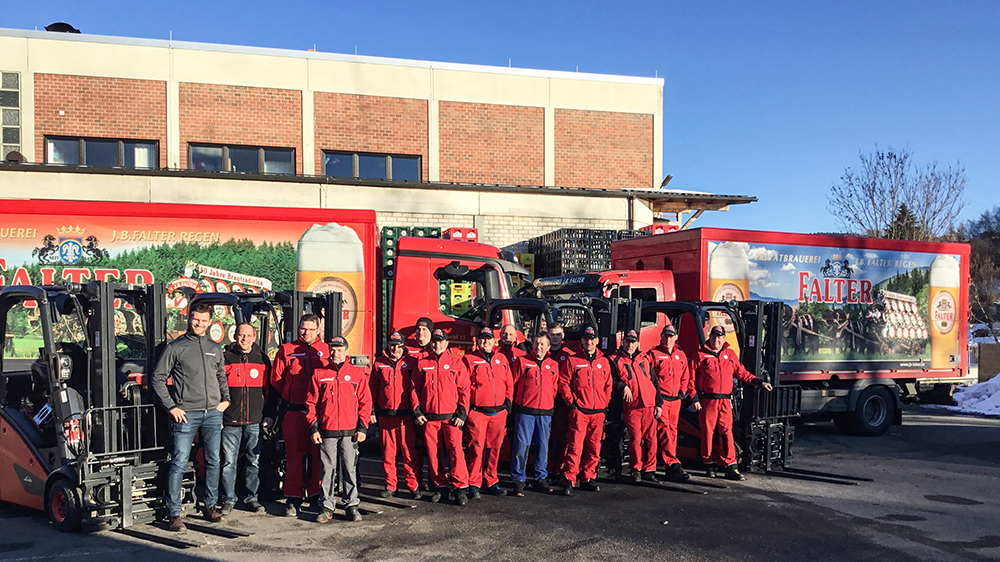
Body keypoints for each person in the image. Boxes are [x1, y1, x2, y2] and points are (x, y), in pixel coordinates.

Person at [151, 302, 230, 532]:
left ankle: (210, 505)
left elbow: (221, 377)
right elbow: (158, 378)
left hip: (213, 414)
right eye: (196, 319)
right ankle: (174, 514)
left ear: (210, 322)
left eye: (204, 321)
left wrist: (225, 400)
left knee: (214, 461)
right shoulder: (176, 347)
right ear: (189, 319)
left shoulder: (214, 348)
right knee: (178, 462)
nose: (200, 324)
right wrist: (172, 407)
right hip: (186, 414)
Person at [692, 325, 773, 480]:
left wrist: (759, 382)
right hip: (708, 400)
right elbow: (690, 379)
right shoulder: (700, 355)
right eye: (714, 336)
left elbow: (741, 373)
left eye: (720, 337)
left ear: (724, 339)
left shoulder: (729, 355)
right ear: (710, 337)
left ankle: (730, 465)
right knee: (708, 433)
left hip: (725, 400)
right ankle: (709, 463)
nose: (716, 339)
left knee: (726, 431)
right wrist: (694, 398)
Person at [306, 336, 372, 523]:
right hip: (327, 431)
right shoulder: (319, 374)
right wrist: (314, 428)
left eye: (339, 349)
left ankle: (352, 505)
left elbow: (365, 403)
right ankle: (327, 506)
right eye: (333, 349)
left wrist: (362, 428)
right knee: (327, 469)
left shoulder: (357, 374)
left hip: (350, 431)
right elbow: (311, 403)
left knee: (350, 469)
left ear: (346, 351)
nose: (336, 353)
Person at [269, 314, 329, 517]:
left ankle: (314, 495)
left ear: (318, 330)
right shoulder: (287, 350)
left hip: (318, 414)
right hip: (294, 411)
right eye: (303, 328)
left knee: (316, 456)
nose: (306, 333)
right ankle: (293, 498)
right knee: (294, 457)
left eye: (311, 329)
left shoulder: (326, 351)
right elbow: (276, 380)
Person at [411, 329, 472, 505]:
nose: (437, 345)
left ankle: (460, 488)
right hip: (429, 418)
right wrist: (418, 411)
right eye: (435, 342)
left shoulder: (456, 363)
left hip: (451, 417)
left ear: (446, 344)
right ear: (431, 344)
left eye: (441, 341)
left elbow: (464, 390)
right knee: (433, 454)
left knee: (456, 452)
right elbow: (414, 389)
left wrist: (462, 412)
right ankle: (440, 487)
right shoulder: (422, 364)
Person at [219, 323, 269, 515]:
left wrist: (269, 414)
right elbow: (217, 389)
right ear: (235, 336)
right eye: (241, 335)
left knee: (253, 461)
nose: (244, 339)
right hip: (230, 420)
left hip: (254, 420)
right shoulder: (225, 358)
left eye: (248, 335)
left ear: (254, 337)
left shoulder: (262, 359)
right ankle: (229, 499)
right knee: (228, 462)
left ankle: (251, 498)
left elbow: (269, 390)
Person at [557, 326, 612, 496]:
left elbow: (608, 386)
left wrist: (604, 403)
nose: (589, 342)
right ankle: (569, 478)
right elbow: (563, 383)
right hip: (579, 411)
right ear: (582, 341)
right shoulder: (572, 361)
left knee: (594, 447)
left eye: (592, 339)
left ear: (596, 341)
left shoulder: (604, 362)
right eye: (586, 339)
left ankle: (588, 477)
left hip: (598, 412)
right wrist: (571, 403)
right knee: (575, 446)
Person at [370, 331, 423, 499]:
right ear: (388, 345)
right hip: (386, 415)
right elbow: (372, 389)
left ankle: (413, 486)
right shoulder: (379, 363)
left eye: (398, 345)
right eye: (392, 345)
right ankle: (391, 485)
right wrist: (372, 411)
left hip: (406, 416)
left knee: (409, 453)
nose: (395, 348)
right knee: (388, 453)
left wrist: (417, 411)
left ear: (404, 345)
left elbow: (417, 388)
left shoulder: (412, 363)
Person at [462, 327, 513, 498]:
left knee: (494, 449)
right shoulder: (469, 360)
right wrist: (468, 409)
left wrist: (507, 404)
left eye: (489, 339)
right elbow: (464, 386)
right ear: (478, 341)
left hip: (498, 413)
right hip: (477, 413)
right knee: (475, 449)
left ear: (494, 341)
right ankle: (474, 482)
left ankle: (491, 480)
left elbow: (509, 383)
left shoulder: (502, 359)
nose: (486, 342)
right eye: (483, 339)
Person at [509, 334, 560, 496]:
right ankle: (518, 480)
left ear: (548, 347)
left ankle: (540, 478)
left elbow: (554, 387)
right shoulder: (522, 362)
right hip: (525, 411)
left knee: (543, 447)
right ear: (532, 345)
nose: (539, 347)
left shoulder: (553, 365)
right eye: (537, 343)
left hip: (545, 412)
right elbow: (513, 384)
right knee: (521, 446)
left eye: (543, 344)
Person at [610, 329, 662, 483]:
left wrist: (659, 403)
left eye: (633, 342)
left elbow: (654, 382)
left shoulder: (644, 359)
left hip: (649, 405)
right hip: (631, 406)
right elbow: (611, 380)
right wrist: (622, 386)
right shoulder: (615, 360)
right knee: (635, 439)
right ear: (623, 342)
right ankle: (636, 468)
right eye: (627, 342)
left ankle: (650, 470)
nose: (630, 345)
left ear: (638, 343)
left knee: (651, 439)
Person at [647, 323, 694, 482]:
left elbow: (685, 376)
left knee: (673, 432)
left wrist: (682, 392)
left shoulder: (680, 355)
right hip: (662, 400)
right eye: (665, 336)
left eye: (670, 336)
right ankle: (672, 463)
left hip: (676, 401)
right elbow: (648, 378)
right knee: (664, 430)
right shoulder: (653, 354)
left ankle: (669, 464)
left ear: (676, 338)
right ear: (661, 337)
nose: (668, 339)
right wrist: (656, 398)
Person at [546, 323, 576, 476]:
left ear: (563, 335)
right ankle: (548, 468)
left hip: (562, 402)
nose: (555, 337)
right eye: (552, 334)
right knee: (548, 438)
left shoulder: (570, 355)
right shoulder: (542, 352)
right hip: (545, 401)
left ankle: (560, 469)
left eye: (558, 334)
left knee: (562, 437)